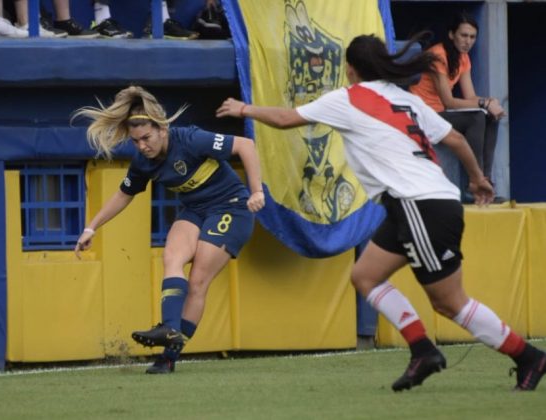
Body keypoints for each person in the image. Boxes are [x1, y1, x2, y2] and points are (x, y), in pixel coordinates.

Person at [215, 34, 546, 391]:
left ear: (351, 70)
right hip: (416, 204)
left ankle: (528, 357)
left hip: (419, 204)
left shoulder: (347, 98)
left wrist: (244, 109)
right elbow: (457, 140)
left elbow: (284, 119)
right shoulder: (406, 99)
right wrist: (479, 178)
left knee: (450, 303)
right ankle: (422, 350)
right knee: (365, 276)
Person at [73, 86, 265, 374]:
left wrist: (256, 191)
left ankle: (168, 356)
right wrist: (91, 227)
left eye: (146, 138)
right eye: (135, 141)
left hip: (231, 209)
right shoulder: (143, 162)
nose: (141, 146)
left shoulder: (190, 139)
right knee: (171, 258)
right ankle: (169, 328)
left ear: (162, 129)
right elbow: (123, 194)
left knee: (198, 280)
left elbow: (245, 146)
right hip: (195, 211)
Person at [409, 13, 505, 198]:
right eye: (463, 35)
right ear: (451, 35)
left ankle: (485, 181)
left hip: (441, 114)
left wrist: (490, 103)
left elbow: (470, 96)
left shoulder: (463, 58)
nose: (468, 41)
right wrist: (484, 103)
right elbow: (449, 101)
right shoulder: (437, 56)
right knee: (476, 117)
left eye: (472, 37)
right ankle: (474, 184)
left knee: (489, 116)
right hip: (424, 115)